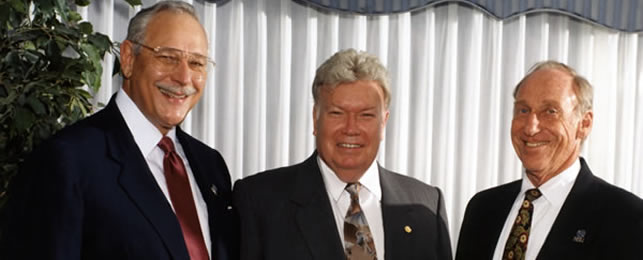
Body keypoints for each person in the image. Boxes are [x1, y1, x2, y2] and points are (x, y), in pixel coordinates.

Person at [0, 2, 238, 260]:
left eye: (196, 63)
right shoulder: (66, 162)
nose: (184, 77)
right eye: (168, 57)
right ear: (128, 58)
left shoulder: (211, 166)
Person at [234, 49, 452, 260]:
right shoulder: (260, 201)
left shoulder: (428, 205)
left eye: (366, 115)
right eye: (337, 113)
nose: (350, 128)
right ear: (315, 118)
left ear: (384, 122)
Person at [455, 61, 643, 260]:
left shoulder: (627, 218)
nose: (531, 128)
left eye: (550, 111)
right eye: (523, 110)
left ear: (584, 124)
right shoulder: (482, 209)